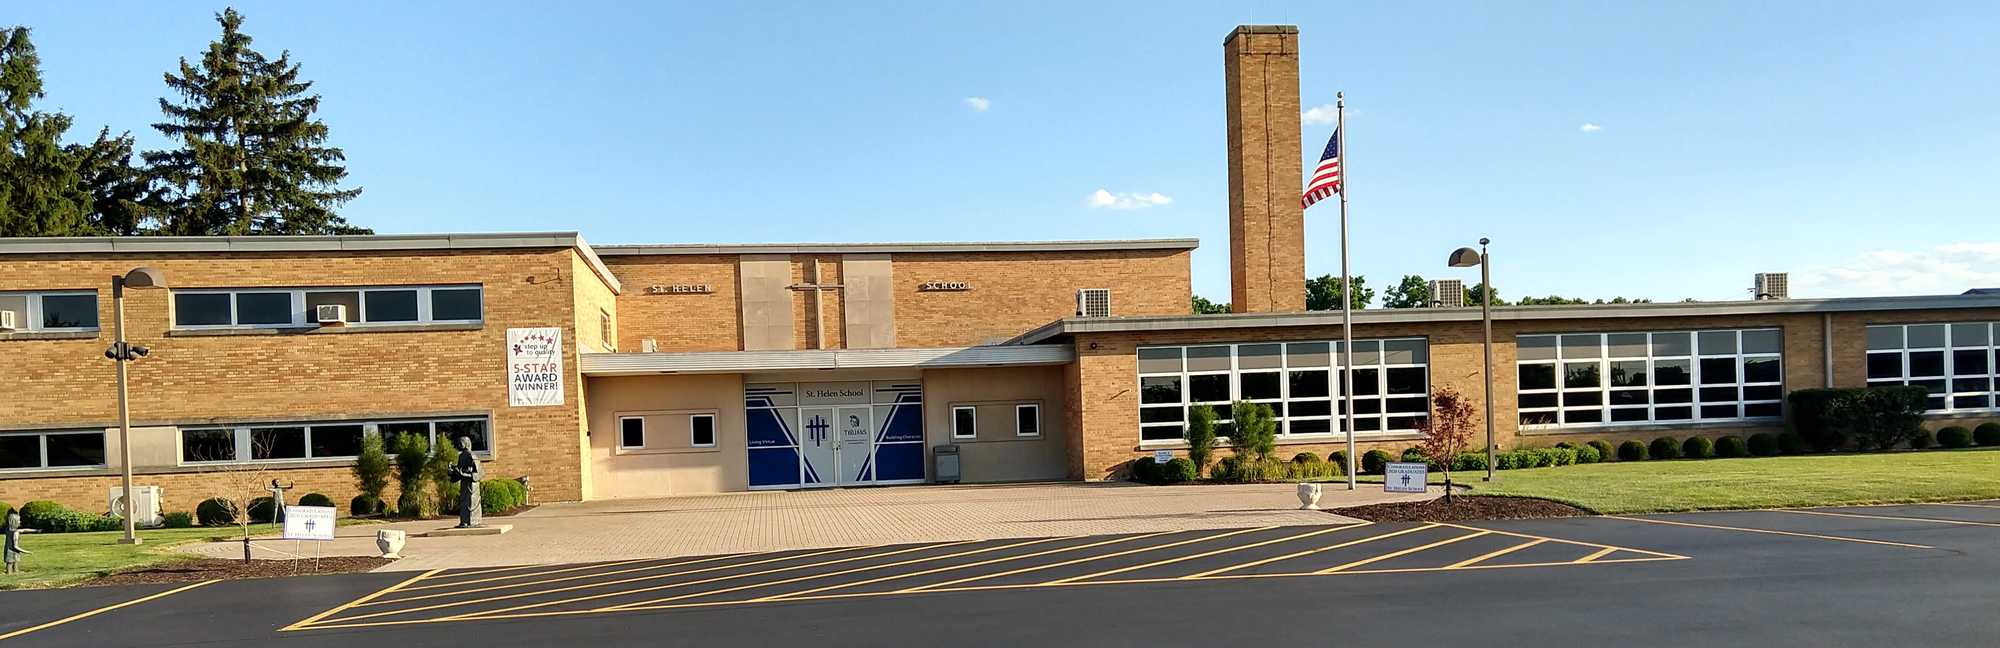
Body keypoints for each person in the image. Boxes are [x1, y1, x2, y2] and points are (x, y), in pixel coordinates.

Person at [448, 436, 484, 528]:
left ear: (467, 443)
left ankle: (473, 521)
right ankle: (464, 521)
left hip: (472, 486)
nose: (459, 445)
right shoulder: (461, 456)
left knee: (471, 502)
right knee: (464, 503)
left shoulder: (472, 456)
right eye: (459, 443)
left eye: (461, 442)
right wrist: (452, 472)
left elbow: (479, 473)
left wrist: (465, 474)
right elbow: (459, 472)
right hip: (464, 485)